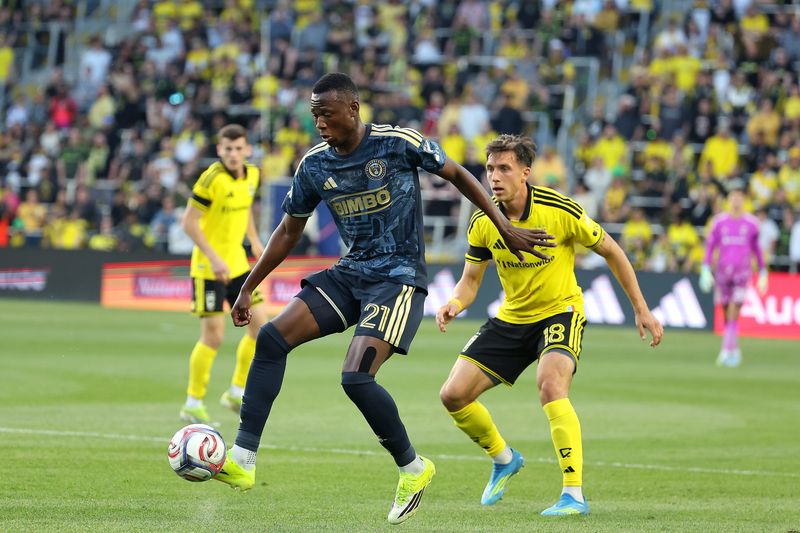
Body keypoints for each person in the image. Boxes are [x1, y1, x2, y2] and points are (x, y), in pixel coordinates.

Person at [215, 73, 555, 525]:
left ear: (352, 110)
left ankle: (413, 469)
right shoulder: (315, 165)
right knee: (272, 339)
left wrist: (503, 226)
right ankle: (243, 457)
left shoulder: (397, 143)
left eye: (326, 113)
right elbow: (290, 230)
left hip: (397, 280)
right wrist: (248, 284)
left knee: (355, 379)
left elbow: (457, 174)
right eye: (314, 114)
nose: (319, 122)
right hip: (350, 273)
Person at [436, 135, 663, 516]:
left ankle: (573, 494)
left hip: (560, 311)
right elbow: (471, 280)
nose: (494, 176)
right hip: (512, 317)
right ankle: (504, 459)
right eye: (490, 168)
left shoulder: (559, 209)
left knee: (551, 384)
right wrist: (455, 302)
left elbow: (611, 250)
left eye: (504, 168)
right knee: (452, 395)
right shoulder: (483, 219)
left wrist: (641, 308)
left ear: (526, 173)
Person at [179, 124, 268, 425]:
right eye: (227, 149)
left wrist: (254, 240)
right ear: (220, 150)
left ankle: (235, 390)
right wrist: (215, 258)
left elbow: (244, 211)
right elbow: (189, 223)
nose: (233, 154)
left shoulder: (253, 175)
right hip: (208, 268)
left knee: (260, 328)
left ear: (247, 150)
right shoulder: (210, 180)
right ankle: (193, 401)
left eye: (238, 148)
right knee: (214, 336)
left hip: (239, 265)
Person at [699, 186, 767, 367]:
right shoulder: (719, 222)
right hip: (722, 273)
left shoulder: (752, 224)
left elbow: (757, 250)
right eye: (733, 197)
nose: (736, 201)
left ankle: (726, 350)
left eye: (739, 197)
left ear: (744, 201)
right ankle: (733, 348)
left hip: (742, 274)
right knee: (725, 311)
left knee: (733, 311)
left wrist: (762, 271)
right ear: (729, 200)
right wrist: (705, 268)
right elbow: (710, 245)